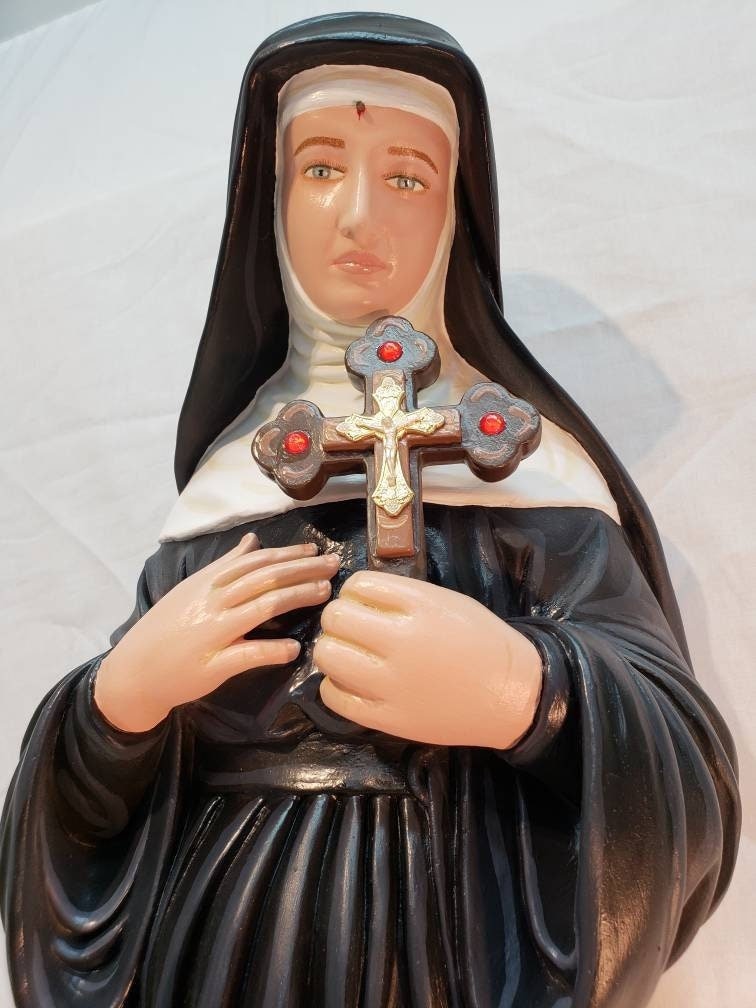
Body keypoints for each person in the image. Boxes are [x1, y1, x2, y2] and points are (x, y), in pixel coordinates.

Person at [0, 13, 740, 1008]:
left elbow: (682, 770)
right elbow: (86, 816)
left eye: (406, 177)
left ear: (455, 211)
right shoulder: (231, 486)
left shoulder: (528, 471)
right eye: (318, 168)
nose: (357, 215)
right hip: (225, 954)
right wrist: (116, 704)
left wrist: (528, 693)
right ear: (267, 202)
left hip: (453, 946)